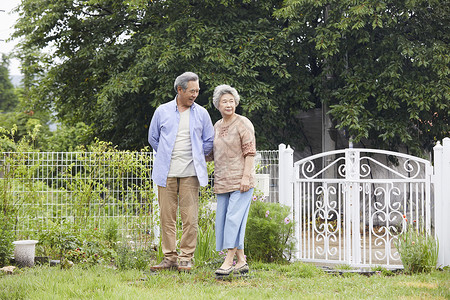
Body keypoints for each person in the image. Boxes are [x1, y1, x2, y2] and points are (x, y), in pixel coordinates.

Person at [148, 72, 214, 272]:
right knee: (167, 217)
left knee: (190, 217)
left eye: (197, 91)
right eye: (192, 91)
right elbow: (153, 138)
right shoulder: (162, 111)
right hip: (165, 172)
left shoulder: (202, 113)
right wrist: (167, 154)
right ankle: (169, 258)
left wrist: (195, 154)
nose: (195, 94)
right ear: (180, 90)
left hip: (190, 173)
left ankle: (186, 258)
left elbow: (209, 140)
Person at [209, 84, 256, 276]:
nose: (228, 104)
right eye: (224, 101)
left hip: (240, 181)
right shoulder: (217, 126)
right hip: (222, 181)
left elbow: (250, 152)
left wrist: (245, 177)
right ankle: (242, 261)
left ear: (236, 103)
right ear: (217, 105)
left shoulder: (243, 123)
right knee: (223, 220)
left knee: (233, 220)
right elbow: (211, 154)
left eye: (231, 101)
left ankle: (228, 260)